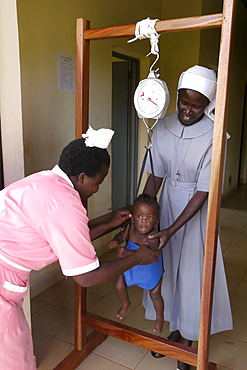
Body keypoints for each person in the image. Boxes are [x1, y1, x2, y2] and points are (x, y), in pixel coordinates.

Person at [0, 126, 160, 370]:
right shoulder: (66, 205)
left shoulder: (46, 180)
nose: (97, 190)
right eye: (99, 182)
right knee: (11, 357)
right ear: (82, 177)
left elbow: (68, 239)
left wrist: (109, 224)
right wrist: (137, 257)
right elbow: (86, 276)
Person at [141, 66, 233, 370]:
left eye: (197, 105)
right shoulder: (164, 127)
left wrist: (172, 229)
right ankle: (174, 329)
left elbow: (204, 191)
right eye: (184, 102)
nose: (188, 111)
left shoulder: (215, 134)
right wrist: (144, 212)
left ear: (208, 105)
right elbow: (155, 177)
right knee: (167, 270)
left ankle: (189, 342)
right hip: (166, 205)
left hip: (195, 213)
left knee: (192, 275)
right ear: (177, 97)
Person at [108, 193, 164, 333]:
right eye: (139, 217)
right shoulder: (130, 228)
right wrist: (116, 240)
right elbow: (122, 236)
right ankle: (126, 303)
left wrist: (126, 254)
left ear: (156, 221)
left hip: (149, 269)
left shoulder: (153, 236)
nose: (143, 221)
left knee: (155, 295)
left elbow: (148, 256)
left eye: (149, 218)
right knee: (119, 284)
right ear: (132, 218)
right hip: (131, 267)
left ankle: (159, 316)